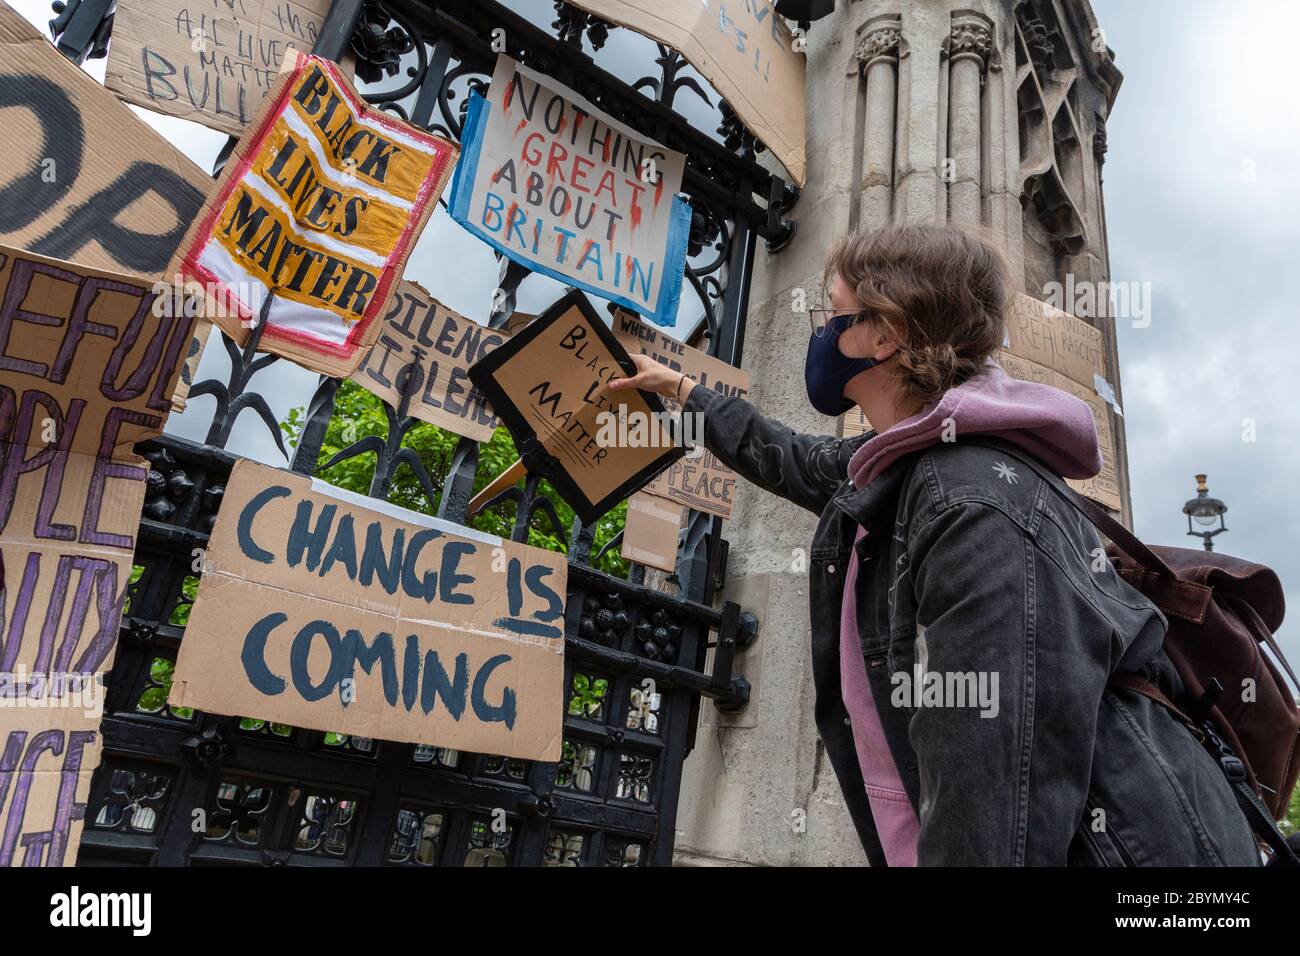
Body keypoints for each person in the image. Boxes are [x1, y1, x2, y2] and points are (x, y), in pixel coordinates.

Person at [609, 224, 1261, 866]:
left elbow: (990, 794)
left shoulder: (973, 501)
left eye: (832, 313)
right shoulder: (911, 464)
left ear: (883, 333)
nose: (820, 332)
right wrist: (682, 392)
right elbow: (794, 458)